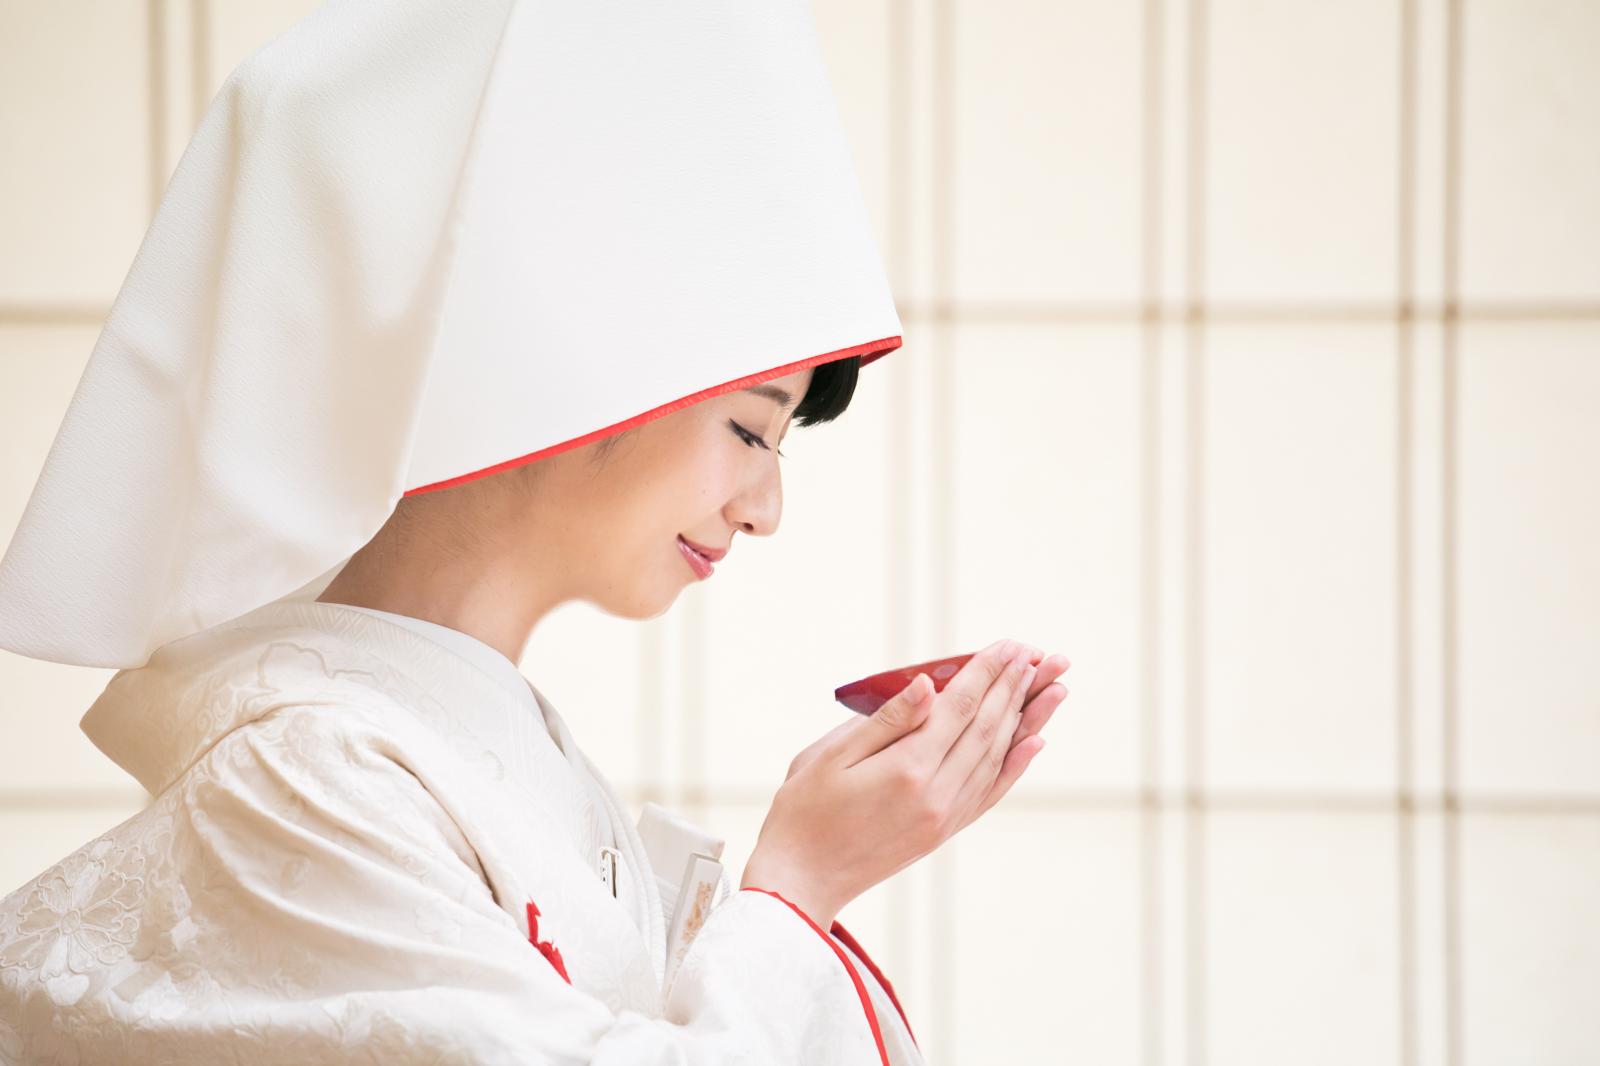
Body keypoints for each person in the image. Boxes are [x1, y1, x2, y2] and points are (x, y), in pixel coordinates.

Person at [0, 1, 1069, 1063]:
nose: (764, 507)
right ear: (565, 382)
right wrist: (797, 888)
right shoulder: (304, 778)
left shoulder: (463, 761)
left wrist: (809, 883)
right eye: (750, 427)